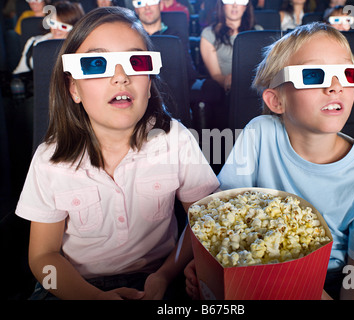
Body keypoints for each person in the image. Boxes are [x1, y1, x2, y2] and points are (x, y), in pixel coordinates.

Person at [15, 6, 219, 300]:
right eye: (98, 64)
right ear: (74, 89)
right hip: (76, 284)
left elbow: (204, 220)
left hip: (160, 275)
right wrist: (92, 297)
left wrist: (166, 274)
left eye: (136, 62)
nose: (121, 77)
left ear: (149, 85)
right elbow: (43, 257)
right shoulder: (50, 159)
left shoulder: (175, 139)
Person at [185, 22, 354, 300]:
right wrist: (209, 261)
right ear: (276, 101)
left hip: (341, 274)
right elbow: (227, 212)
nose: (334, 86)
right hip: (262, 265)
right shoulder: (259, 133)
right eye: (312, 75)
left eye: (346, 74)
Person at [197, 0, 261, 130]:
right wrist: (228, 80)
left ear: (246, 7)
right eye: (230, 0)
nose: (235, 4)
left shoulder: (258, 31)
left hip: (255, 89)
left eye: (240, 1)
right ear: (222, 5)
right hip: (226, 92)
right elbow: (215, 74)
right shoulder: (209, 34)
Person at [12, 0, 84, 97]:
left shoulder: (80, 48)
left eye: (63, 26)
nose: (56, 29)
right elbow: (20, 72)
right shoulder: (34, 42)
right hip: (36, 95)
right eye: (53, 23)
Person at [133, 0, 198, 87]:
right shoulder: (131, 38)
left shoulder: (177, 36)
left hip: (175, 88)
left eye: (151, 1)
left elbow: (188, 71)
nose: (147, 7)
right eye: (140, 3)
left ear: (160, 5)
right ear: (136, 9)